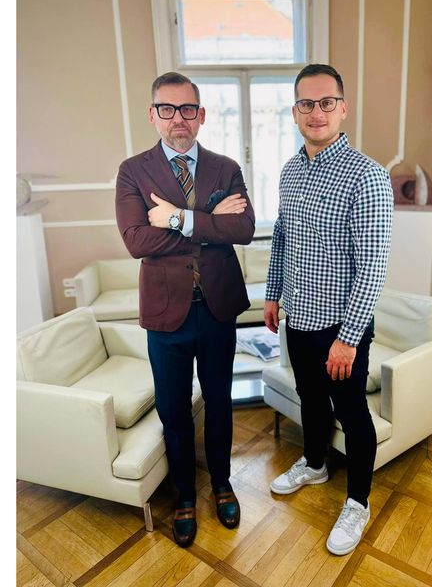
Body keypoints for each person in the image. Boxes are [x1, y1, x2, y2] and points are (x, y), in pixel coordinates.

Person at [116, 71, 255, 547]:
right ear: (153, 115)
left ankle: (222, 483)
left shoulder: (225, 167)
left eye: (188, 109)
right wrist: (209, 222)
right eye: (168, 109)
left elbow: (243, 229)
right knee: (174, 409)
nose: (179, 118)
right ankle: (183, 496)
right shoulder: (133, 171)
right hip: (165, 312)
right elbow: (137, 241)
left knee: (220, 402)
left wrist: (176, 218)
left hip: (218, 309)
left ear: (202, 115)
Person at [264, 63, 393, 556]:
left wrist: (349, 338)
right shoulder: (290, 170)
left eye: (325, 102)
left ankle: (358, 502)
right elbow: (282, 238)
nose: (315, 112)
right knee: (311, 400)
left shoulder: (368, 176)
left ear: (343, 108)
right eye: (306, 103)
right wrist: (274, 293)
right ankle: (315, 465)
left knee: (352, 413)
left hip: (342, 326)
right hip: (298, 316)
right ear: (295, 111)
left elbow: (372, 266)